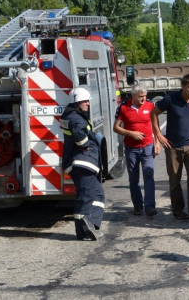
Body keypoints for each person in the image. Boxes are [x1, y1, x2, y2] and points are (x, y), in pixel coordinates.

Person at [151, 73, 189, 224]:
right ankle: (178, 211)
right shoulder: (170, 99)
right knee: (175, 181)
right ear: (183, 87)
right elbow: (153, 113)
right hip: (173, 148)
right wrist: (159, 135)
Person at [61, 86, 105, 241]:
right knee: (86, 195)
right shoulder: (75, 118)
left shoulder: (70, 115)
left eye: (87, 101)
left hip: (80, 163)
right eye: (84, 101)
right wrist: (86, 144)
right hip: (82, 162)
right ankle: (87, 222)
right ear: (76, 102)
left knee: (97, 194)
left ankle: (90, 227)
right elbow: (80, 136)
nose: (87, 104)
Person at [114, 84, 161, 217]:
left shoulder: (150, 105)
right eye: (141, 96)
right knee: (133, 179)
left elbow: (155, 125)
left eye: (145, 96)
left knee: (148, 175)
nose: (144, 99)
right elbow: (116, 128)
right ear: (133, 96)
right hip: (131, 149)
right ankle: (137, 205)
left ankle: (150, 206)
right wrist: (130, 133)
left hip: (148, 146)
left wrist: (157, 143)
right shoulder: (123, 107)